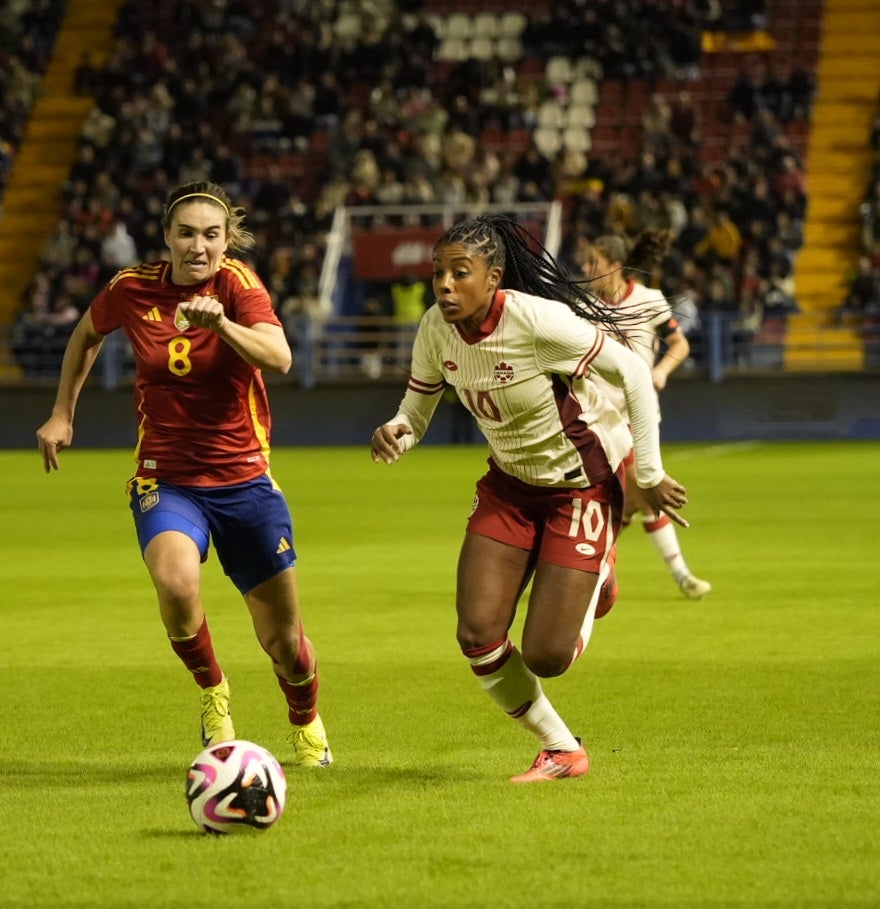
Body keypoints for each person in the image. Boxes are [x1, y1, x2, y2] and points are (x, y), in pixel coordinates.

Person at [369, 215, 690, 782]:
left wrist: (649, 471)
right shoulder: (435, 330)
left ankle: (600, 573)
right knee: (476, 633)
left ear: (493, 278)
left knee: (547, 656)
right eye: (437, 274)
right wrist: (399, 429)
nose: (444, 285)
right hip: (509, 489)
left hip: (579, 487)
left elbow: (635, 377)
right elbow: (416, 408)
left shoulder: (537, 320)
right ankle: (562, 749)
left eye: (458, 274)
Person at [35, 181, 331, 767]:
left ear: (226, 241)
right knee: (175, 583)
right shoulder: (132, 288)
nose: (199, 246)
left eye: (211, 235)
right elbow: (87, 334)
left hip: (244, 481)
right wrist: (62, 412)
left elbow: (280, 357)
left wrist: (221, 325)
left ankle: (304, 719)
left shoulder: (239, 287)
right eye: (187, 233)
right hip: (164, 478)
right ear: (168, 238)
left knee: (286, 646)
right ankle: (214, 693)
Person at [577, 231, 713, 599]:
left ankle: (580, 571)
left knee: (631, 497)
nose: (588, 270)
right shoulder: (584, 306)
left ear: (616, 266)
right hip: (599, 417)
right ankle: (677, 576)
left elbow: (679, 343)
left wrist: (661, 371)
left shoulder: (649, 300)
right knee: (631, 496)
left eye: (595, 263)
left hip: (639, 413)